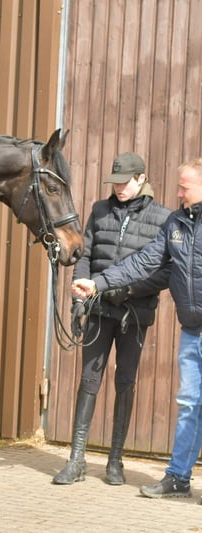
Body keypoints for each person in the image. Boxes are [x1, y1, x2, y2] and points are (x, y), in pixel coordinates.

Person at [73, 157, 202, 499]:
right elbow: (145, 261)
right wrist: (98, 284)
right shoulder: (176, 223)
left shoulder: (165, 217)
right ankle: (179, 478)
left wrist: (125, 291)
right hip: (192, 331)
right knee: (190, 404)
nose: (177, 193)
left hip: (147, 318)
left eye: (184, 187)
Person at [53, 153, 171, 486]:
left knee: (125, 382)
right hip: (98, 309)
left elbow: (164, 271)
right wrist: (80, 294)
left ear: (141, 178)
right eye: (115, 182)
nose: (118, 188)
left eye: (124, 182)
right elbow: (85, 255)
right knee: (89, 381)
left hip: (134, 314)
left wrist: (129, 290)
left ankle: (115, 461)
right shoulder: (100, 210)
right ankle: (76, 460)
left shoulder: (163, 218)